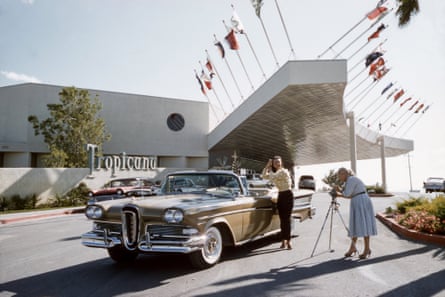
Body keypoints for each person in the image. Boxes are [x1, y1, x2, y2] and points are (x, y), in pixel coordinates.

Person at [337, 167, 377, 259]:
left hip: (361, 202)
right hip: (358, 201)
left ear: (345, 174)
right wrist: (340, 192)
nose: (339, 177)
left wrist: (338, 192)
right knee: (355, 225)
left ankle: (367, 249)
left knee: (363, 225)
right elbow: (349, 195)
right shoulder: (349, 181)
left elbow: (347, 194)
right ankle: (352, 248)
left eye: (340, 175)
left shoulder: (351, 180)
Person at [262, 156, 294, 250]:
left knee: (287, 219)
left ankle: (288, 241)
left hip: (288, 195)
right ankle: (283, 240)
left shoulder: (284, 171)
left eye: (279, 162)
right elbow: (263, 176)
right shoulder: (274, 173)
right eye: (275, 162)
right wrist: (267, 166)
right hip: (281, 195)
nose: (277, 164)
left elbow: (272, 177)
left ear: (281, 163)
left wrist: (269, 167)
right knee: (282, 219)